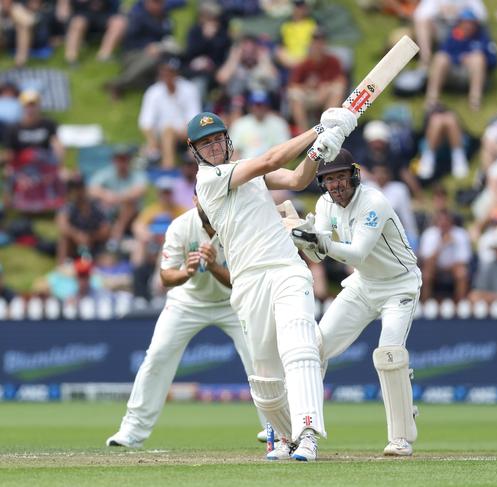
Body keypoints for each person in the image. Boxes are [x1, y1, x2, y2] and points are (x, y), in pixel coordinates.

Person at [191, 107, 350, 461]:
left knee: (300, 347)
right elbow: (268, 161)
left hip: (286, 268)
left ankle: (308, 433)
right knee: (265, 375)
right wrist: (318, 128)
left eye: (218, 138)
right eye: (206, 142)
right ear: (194, 149)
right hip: (248, 282)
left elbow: (296, 180)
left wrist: (319, 149)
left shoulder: (245, 171)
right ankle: (283, 436)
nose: (214, 146)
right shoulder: (210, 180)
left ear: (227, 139)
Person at [291, 149, 421, 456]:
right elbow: (319, 253)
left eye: (340, 177)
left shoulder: (374, 203)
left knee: (389, 353)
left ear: (353, 175)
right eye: (329, 180)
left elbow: (357, 252)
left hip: (399, 285)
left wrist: (320, 242)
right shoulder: (324, 203)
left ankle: (401, 436)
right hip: (363, 285)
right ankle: (299, 426)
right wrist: (305, 241)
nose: (336, 185)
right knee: (315, 346)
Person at [106, 196, 262, 448]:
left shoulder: (239, 225)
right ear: (195, 199)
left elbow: (241, 281)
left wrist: (212, 266)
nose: (210, 204)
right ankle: (132, 431)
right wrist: (187, 273)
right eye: (204, 199)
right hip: (187, 301)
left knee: (260, 359)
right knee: (156, 356)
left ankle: (276, 430)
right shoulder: (180, 226)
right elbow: (166, 277)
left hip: (234, 302)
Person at [424, 8, 497, 111]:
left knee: (478, 59)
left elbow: (494, 61)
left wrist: (475, 57)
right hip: (452, 72)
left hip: (473, 74)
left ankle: (475, 101)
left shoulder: (482, 37)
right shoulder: (454, 35)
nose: (467, 26)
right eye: (464, 23)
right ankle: (432, 99)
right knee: (440, 58)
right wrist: (460, 58)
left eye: (470, 23)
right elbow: (444, 52)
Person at [138, 56, 201, 168]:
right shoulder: (153, 92)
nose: (167, 75)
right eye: (164, 72)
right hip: (159, 134)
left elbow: (194, 118)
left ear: (176, 73)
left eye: (170, 72)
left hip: (184, 132)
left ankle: (168, 168)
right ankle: (167, 166)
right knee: (166, 133)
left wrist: (183, 133)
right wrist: (152, 141)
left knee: (168, 132)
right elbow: (146, 122)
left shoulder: (189, 89)